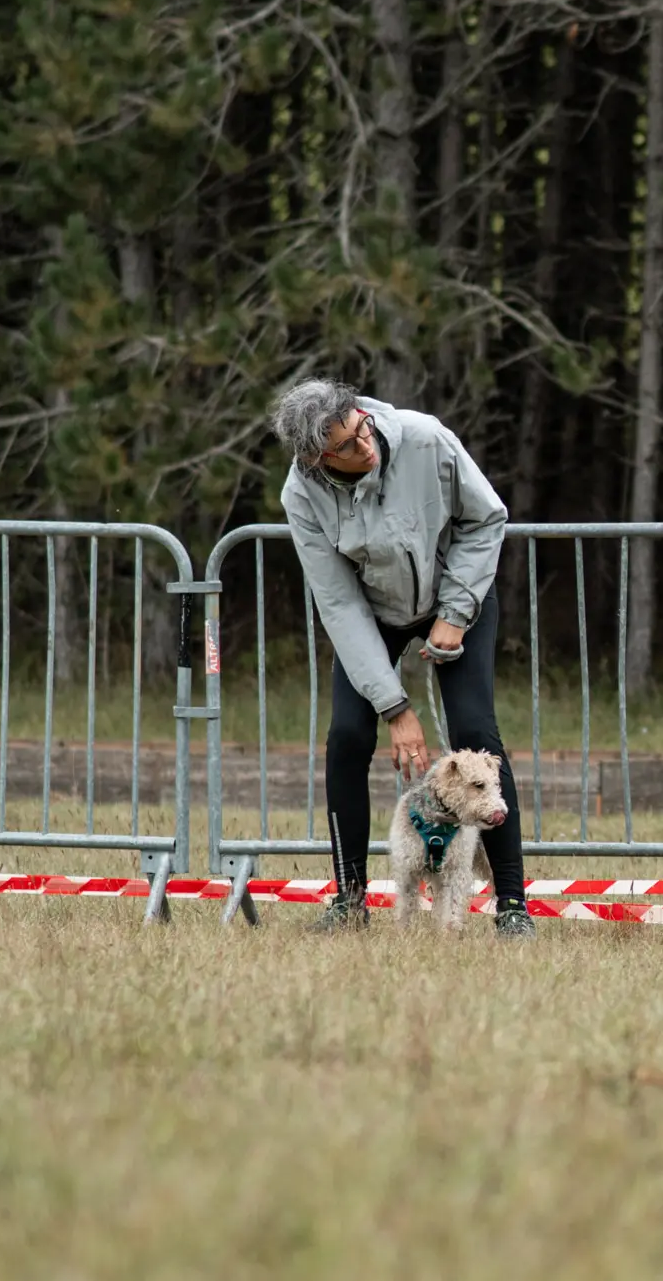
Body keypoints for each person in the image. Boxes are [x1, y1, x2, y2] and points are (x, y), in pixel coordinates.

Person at [269, 378, 535, 938]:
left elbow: (486, 518)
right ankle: (349, 898)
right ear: (317, 458)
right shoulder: (301, 495)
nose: (364, 446)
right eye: (345, 445)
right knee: (346, 735)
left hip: (459, 594)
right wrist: (394, 707)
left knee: (475, 730)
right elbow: (338, 603)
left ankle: (512, 906)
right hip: (372, 613)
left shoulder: (424, 437)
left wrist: (456, 611)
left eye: (361, 427)